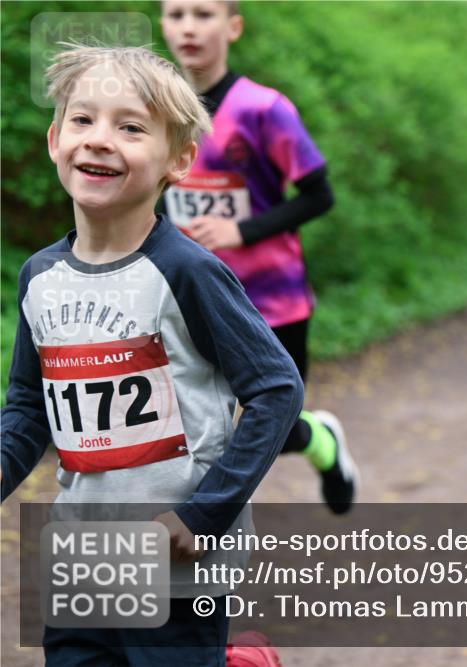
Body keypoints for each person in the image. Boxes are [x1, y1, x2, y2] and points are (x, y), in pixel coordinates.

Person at [0, 44, 304, 666]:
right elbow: (31, 406)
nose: (100, 140)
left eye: (131, 127)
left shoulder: (187, 271)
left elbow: (276, 389)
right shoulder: (40, 277)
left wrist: (203, 514)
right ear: (56, 140)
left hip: (175, 562)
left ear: (179, 159)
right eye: (83, 121)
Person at [161, 0, 357, 515]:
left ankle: (321, 439)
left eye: (203, 14)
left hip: (272, 300)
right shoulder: (154, 107)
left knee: (274, 430)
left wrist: (239, 231)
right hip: (189, 298)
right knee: (193, 431)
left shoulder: (264, 109)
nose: (188, 27)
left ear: (233, 26)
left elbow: (319, 195)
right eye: (176, 14)